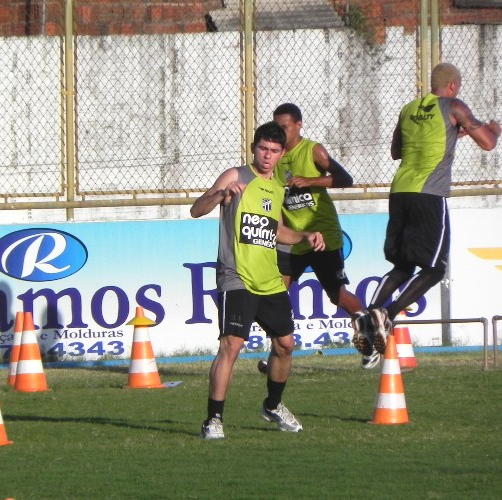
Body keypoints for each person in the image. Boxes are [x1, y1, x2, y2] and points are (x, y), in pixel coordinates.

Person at [191, 121, 325, 439]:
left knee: (285, 345)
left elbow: (277, 231)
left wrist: (305, 235)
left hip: (269, 279)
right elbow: (197, 209)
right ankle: (213, 419)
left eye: (274, 151)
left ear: (281, 154)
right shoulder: (235, 176)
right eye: (263, 148)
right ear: (253, 148)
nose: (267, 156)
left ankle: (273, 405)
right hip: (236, 275)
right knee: (232, 346)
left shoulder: (278, 187)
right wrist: (222, 194)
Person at [359, 62, 500, 354]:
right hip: (429, 195)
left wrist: (453, 135)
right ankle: (389, 314)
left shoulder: (408, 109)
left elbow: (397, 151)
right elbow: (487, 143)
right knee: (436, 268)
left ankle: (369, 314)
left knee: (402, 266)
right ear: (452, 86)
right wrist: (495, 130)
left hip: (400, 192)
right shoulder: (455, 106)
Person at [268, 103, 379, 369]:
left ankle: (370, 336)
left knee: (337, 296)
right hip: (295, 238)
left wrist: (311, 180)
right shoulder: (275, 155)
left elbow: (345, 178)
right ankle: (275, 354)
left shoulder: (312, 150)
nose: (280, 132)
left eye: (284, 127)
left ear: (298, 124)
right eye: (277, 127)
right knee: (276, 293)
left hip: (323, 237)